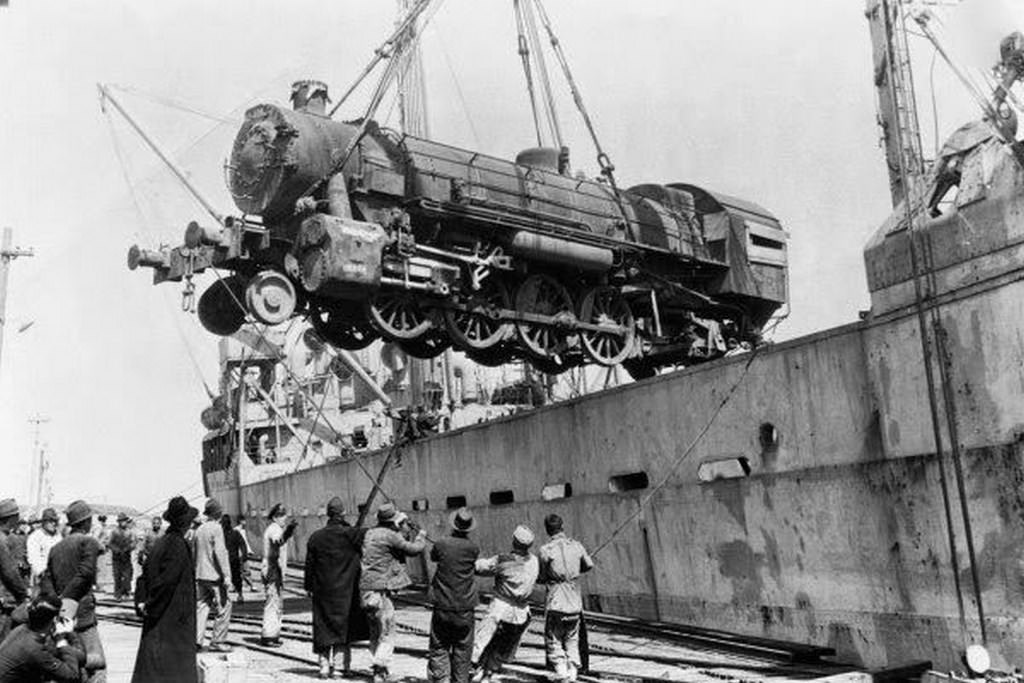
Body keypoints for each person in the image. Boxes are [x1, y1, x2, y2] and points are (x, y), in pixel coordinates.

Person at [131, 496, 199, 683]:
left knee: (153, 669)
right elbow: (166, 582)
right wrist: (151, 606)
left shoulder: (162, 542)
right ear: (185, 523)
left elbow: (143, 577)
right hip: (172, 622)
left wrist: (141, 602)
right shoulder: (177, 545)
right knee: (174, 671)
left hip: (160, 621)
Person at [359, 503, 427, 683]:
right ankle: (379, 668)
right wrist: (421, 537)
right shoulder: (390, 536)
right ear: (392, 520)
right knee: (388, 631)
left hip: (365, 588)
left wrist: (400, 527)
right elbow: (413, 550)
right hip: (380, 589)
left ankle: (380, 671)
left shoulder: (370, 534)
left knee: (375, 631)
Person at [41, 500, 106, 683]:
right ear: (86, 522)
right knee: (96, 666)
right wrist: (67, 600)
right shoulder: (88, 542)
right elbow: (85, 574)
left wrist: (59, 604)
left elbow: (46, 582)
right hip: (83, 616)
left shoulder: (56, 548)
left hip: (62, 619)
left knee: (69, 664)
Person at [303, 497, 365, 679]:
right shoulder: (352, 534)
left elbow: (309, 567)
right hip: (346, 591)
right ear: (343, 513)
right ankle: (339, 667)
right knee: (343, 629)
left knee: (323, 628)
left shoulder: (316, 537)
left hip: (322, 591)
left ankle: (323, 667)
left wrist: (308, 587)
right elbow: (370, 537)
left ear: (328, 515)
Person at [472, 525, 540, 683]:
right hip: (521, 613)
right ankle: (488, 674)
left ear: (514, 542)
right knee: (503, 646)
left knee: (482, 641)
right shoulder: (535, 561)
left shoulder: (504, 560)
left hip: (501, 608)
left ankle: (474, 669)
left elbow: (480, 568)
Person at [538, 514, 594, 683]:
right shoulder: (577, 546)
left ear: (548, 530)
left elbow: (541, 576)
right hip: (574, 601)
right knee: (572, 637)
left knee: (553, 638)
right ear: (562, 527)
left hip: (556, 600)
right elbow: (589, 565)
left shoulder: (545, 550)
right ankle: (573, 672)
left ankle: (561, 672)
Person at [427, 507, 479, 683]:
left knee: (439, 647)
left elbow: (434, 557)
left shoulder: (441, 543)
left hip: (442, 606)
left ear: (454, 524)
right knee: (463, 651)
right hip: (465, 608)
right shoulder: (473, 548)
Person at [0, 594, 85, 682]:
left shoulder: (21, 629)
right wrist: (63, 639)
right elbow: (72, 675)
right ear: (55, 619)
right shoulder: (34, 650)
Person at [194, 499, 233, 653]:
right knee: (224, 606)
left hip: (200, 575)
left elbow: (195, 553)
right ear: (219, 514)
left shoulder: (199, 529)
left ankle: (196, 641)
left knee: (201, 607)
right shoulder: (216, 529)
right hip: (214, 576)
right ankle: (218, 641)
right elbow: (220, 553)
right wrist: (227, 576)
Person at [260, 503, 297, 647]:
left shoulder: (275, 528)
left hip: (274, 569)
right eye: (282, 516)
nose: (284, 518)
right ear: (275, 517)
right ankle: (268, 636)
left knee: (276, 602)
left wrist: (288, 530)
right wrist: (289, 531)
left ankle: (273, 634)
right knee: (273, 603)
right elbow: (279, 540)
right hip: (272, 569)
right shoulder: (274, 529)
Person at [0, 499, 29, 643]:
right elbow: (10, 573)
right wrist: (24, 593)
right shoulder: (2, 540)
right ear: (10, 518)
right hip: (4, 600)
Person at [26, 509, 61, 591]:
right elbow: (33, 559)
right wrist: (42, 574)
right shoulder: (35, 537)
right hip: (43, 577)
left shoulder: (58, 536)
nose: (54, 523)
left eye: (55, 521)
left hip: (58, 576)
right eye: (51, 521)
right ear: (44, 522)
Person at [107, 514, 134, 602]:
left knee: (127, 576)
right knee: (117, 575)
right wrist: (117, 550)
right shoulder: (114, 532)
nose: (123, 522)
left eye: (125, 521)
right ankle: (118, 594)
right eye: (121, 521)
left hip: (126, 557)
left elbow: (134, 543)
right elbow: (109, 543)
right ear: (118, 522)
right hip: (117, 557)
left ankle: (126, 593)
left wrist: (128, 548)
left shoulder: (130, 532)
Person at [219, 515, 246, 603]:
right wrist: (244, 556)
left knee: (223, 578)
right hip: (234, 558)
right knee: (236, 577)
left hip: (224, 559)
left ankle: (224, 596)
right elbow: (242, 544)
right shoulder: (235, 533)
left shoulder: (220, 533)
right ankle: (240, 594)